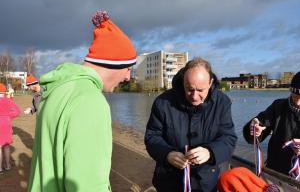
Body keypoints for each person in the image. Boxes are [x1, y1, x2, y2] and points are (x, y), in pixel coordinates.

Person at [28, 10, 137, 192]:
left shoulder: (57, 89)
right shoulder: (90, 101)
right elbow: (86, 184)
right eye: (128, 68)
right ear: (114, 63)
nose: (128, 77)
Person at [144, 58, 237, 192]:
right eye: (189, 89)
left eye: (200, 90)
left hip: (206, 183)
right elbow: (152, 137)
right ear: (183, 82)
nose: (194, 96)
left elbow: (228, 138)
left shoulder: (222, 102)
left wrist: (210, 152)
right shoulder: (162, 102)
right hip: (168, 181)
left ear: (210, 83)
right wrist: (167, 154)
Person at [243, 71, 300, 176]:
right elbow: (261, 122)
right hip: (276, 173)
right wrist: (255, 128)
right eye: (295, 96)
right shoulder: (278, 106)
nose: (297, 102)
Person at [0, 83, 21, 174]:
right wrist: (8, 116)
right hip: (6, 122)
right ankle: (7, 165)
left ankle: (0, 168)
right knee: (6, 145)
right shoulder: (8, 100)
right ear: (4, 91)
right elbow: (17, 111)